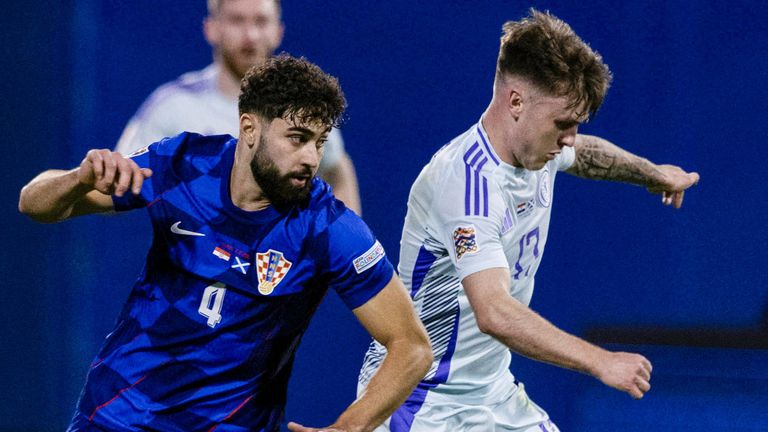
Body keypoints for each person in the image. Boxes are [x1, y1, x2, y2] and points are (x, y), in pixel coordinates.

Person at [19, 55, 432, 432]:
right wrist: (77, 180)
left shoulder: (326, 227)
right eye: (297, 137)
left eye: (319, 142)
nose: (310, 157)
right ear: (249, 128)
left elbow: (411, 346)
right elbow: (33, 203)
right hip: (119, 414)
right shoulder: (183, 165)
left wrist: (348, 428)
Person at [358, 9, 700, 432]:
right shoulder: (466, 184)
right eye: (563, 125)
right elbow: (495, 312)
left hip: (492, 393)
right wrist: (599, 361)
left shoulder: (539, 148)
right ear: (516, 102)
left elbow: (586, 154)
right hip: (422, 399)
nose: (569, 138)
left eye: (576, 125)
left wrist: (651, 172)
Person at [115, 0, 362, 214]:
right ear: (211, 29)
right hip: (198, 264)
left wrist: (344, 252)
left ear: (278, 31)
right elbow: (118, 181)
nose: (251, 35)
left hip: (278, 264)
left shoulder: (302, 106)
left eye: (261, 21)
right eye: (237, 21)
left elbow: (336, 167)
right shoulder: (173, 107)